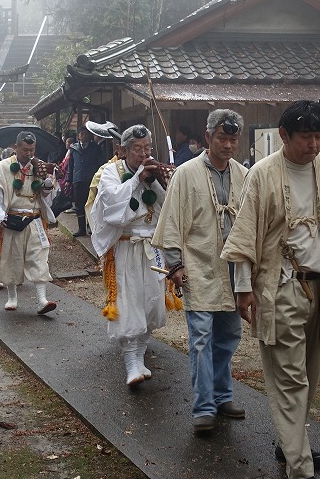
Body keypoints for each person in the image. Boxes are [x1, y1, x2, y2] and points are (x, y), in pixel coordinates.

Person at [220, 100, 320, 479]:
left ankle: (291, 443)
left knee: (310, 375)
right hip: (280, 287)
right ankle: (300, 471)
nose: (313, 145)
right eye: (305, 138)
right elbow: (246, 235)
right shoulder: (263, 174)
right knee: (289, 379)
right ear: (284, 136)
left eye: (319, 137)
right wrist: (243, 288)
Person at [152, 109, 250, 433]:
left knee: (229, 336)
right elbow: (172, 222)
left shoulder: (243, 174)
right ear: (208, 137)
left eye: (233, 139)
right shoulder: (186, 173)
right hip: (198, 264)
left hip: (233, 268)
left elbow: (251, 223)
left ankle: (222, 396)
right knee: (200, 339)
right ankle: (204, 406)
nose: (228, 145)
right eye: (222, 138)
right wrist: (175, 263)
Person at [90, 124, 173, 388]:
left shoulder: (153, 172)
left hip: (152, 247)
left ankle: (140, 357)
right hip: (125, 246)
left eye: (147, 148)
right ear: (123, 150)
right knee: (128, 303)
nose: (143, 153)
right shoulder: (110, 173)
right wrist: (136, 179)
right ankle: (130, 363)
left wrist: (159, 181)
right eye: (137, 149)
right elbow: (112, 207)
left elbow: (168, 205)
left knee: (150, 303)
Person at [0, 132, 57, 315]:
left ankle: (42, 300)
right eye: (25, 150)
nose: (29, 153)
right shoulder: (3, 167)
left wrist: (47, 186)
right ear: (16, 148)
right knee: (11, 259)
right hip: (12, 219)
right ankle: (12, 297)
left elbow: (45, 195)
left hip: (34, 219)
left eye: (32, 150)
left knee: (39, 257)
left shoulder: (38, 167)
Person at [73, 124, 112, 237]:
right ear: (78, 136)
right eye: (82, 134)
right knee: (79, 205)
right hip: (78, 179)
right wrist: (69, 180)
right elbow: (71, 166)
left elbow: (101, 162)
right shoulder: (74, 148)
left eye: (86, 134)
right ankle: (81, 229)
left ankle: (92, 226)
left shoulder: (95, 148)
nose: (84, 136)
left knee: (92, 204)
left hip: (92, 180)